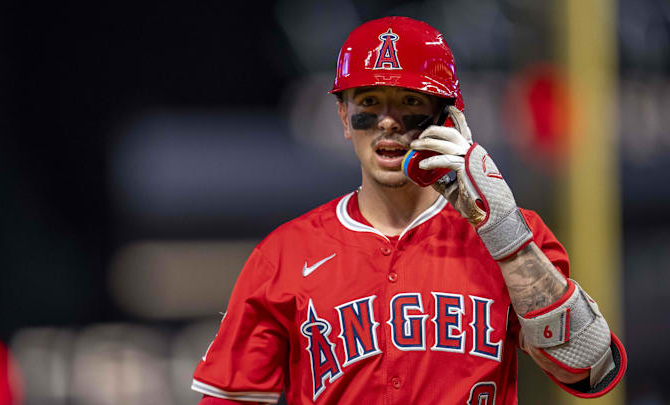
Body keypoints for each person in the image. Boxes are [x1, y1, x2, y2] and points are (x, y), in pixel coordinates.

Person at [190, 16, 627, 404]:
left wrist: (506, 236)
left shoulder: (512, 233)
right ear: (343, 117)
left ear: (448, 119)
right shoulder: (286, 253)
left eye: (411, 102)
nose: (388, 121)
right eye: (369, 102)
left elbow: (588, 368)